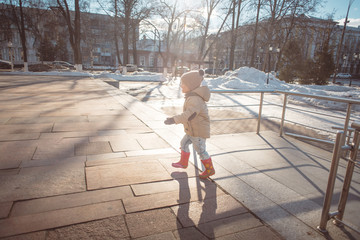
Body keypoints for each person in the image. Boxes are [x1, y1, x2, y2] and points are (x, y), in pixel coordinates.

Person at [164, 69, 215, 179]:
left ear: (191, 85)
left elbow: (188, 115)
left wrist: (173, 120)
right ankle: (183, 162)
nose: (181, 86)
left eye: (183, 84)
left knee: (201, 151)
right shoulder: (191, 96)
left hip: (198, 132)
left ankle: (210, 169)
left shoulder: (195, 99)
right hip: (192, 130)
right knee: (183, 143)